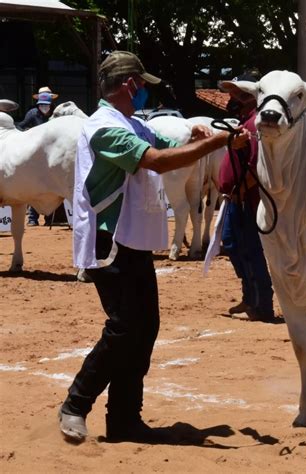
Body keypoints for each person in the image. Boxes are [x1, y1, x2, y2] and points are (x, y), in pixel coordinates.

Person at [58, 50, 250, 443]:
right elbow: (158, 161)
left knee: (145, 328)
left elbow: (163, 139)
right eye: (142, 84)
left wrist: (195, 135)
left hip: (132, 239)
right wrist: (218, 140)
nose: (145, 90)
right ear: (129, 85)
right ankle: (76, 404)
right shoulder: (105, 128)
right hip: (108, 241)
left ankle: (125, 419)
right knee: (124, 327)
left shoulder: (129, 123)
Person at [218, 70, 276, 323]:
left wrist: (241, 190)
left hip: (246, 199)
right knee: (232, 243)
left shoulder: (254, 124)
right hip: (237, 197)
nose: (233, 97)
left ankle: (261, 303)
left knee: (249, 248)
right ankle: (250, 295)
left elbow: (256, 165)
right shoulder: (247, 121)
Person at [17, 86, 58, 226]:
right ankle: (32, 219)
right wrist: (29, 135)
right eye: (42, 105)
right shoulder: (32, 114)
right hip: (36, 156)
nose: (44, 107)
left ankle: (49, 218)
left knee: (52, 188)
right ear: (38, 104)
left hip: (53, 156)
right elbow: (21, 127)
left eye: (47, 105)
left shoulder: (56, 115)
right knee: (36, 187)